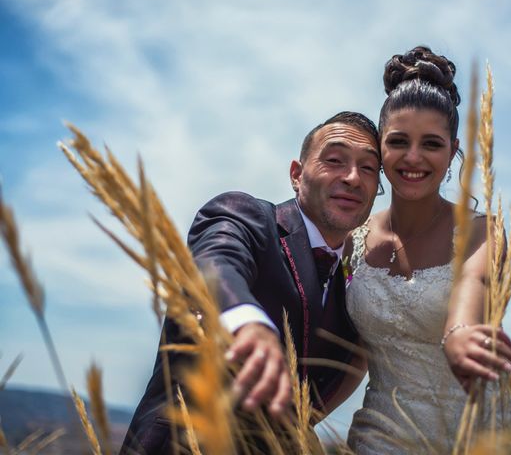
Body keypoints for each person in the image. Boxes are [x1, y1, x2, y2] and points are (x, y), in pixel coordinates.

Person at [120, 111, 381, 454]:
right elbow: (215, 263)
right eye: (335, 160)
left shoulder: (358, 282)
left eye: (368, 168)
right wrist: (246, 321)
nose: (352, 177)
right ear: (296, 174)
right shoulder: (247, 216)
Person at [344, 47, 511, 453]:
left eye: (431, 144)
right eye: (398, 141)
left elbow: (473, 285)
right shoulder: (353, 241)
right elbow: (354, 356)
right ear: (380, 145)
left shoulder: (482, 232)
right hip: (380, 436)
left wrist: (459, 334)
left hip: (475, 437)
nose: (413, 157)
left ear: (453, 149)